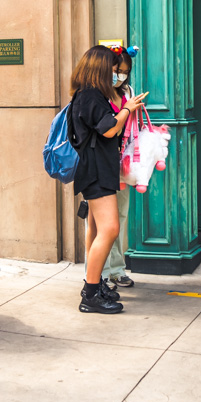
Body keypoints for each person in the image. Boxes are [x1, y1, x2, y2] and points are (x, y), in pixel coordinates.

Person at [70, 45, 146, 314]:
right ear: (101, 69)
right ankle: (90, 294)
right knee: (110, 228)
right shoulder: (90, 96)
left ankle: (94, 285)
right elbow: (109, 129)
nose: (117, 74)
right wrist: (127, 108)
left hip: (99, 167)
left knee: (99, 228)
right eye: (113, 69)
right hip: (96, 169)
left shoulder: (90, 95)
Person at [104, 46, 137, 288]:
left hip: (122, 162)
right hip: (102, 163)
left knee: (121, 217)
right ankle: (100, 273)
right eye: (118, 71)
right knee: (101, 222)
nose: (121, 76)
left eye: (125, 72)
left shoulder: (128, 92)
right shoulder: (97, 94)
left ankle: (117, 268)